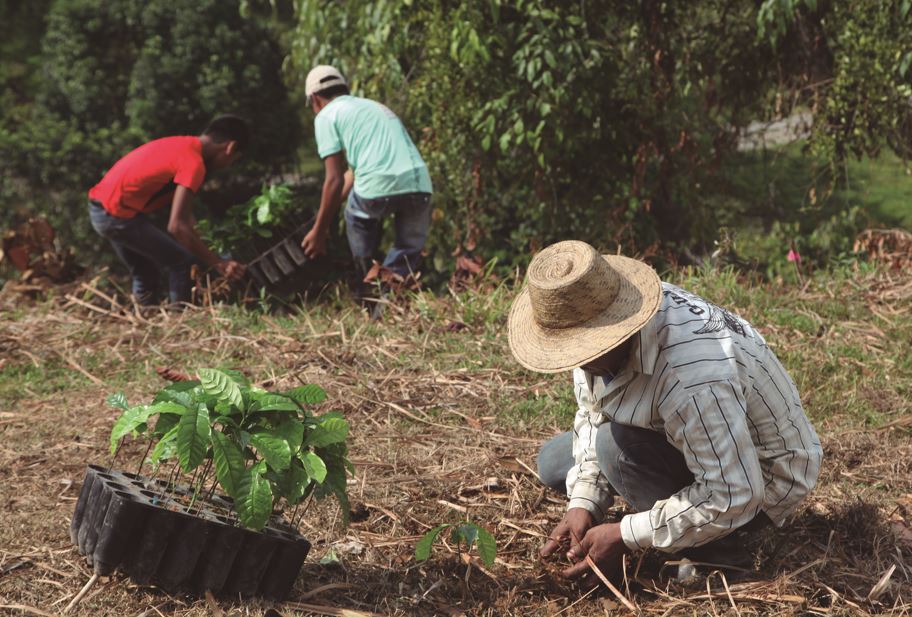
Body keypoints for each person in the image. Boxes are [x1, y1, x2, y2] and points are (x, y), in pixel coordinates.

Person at [507, 240, 822, 586]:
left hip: (762, 479)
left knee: (615, 449)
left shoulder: (692, 378)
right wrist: (583, 502)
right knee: (555, 461)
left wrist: (627, 534)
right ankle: (652, 495)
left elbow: (735, 493)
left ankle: (721, 553)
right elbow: (593, 411)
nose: (577, 363)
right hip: (697, 431)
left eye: (580, 351)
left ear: (610, 335)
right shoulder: (596, 323)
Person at [299, 65, 433, 299]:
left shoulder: (326, 115)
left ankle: (366, 279)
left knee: (355, 216)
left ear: (315, 99)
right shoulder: (372, 106)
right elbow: (352, 174)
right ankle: (386, 304)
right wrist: (323, 214)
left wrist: (319, 231)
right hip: (420, 184)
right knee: (407, 249)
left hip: (377, 186)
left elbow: (333, 179)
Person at [88, 115, 249, 305]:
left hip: (102, 207)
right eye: (233, 160)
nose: (227, 165)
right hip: (116, 215)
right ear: (230, 148)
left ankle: (144, 321)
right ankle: (179, 323)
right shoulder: (194, 163)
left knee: (145, 272)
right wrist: (218, 263)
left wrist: (213, 252)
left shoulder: (182, 145)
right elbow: (177, 227)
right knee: (183, 264)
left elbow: (187, 219)